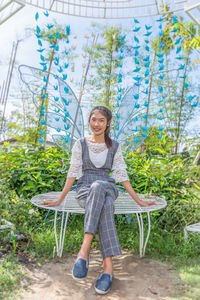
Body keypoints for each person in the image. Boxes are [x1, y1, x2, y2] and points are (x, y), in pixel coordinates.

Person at [41, 106, 156, 295]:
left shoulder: (115, 146)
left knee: (99, 187)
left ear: (108, 123)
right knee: (106, 204)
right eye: (94, 119)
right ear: (89, 121)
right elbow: (73, 173)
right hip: (85, 189)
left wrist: (139, 200)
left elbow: (121, 175)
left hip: (107, 187)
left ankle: (84, 250)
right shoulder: (80, 144)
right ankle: (108, 267)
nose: (97, 124)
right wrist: (59, 199)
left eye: (101, 120)